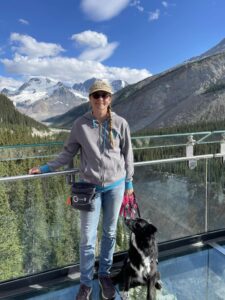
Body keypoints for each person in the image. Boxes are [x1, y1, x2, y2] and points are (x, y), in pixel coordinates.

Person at [29, 80, 134, 300]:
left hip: (116, 186)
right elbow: (67, 153)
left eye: (105, 95)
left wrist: (129, 183)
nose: (101, 99)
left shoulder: (121, 123)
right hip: (90, 189)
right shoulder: (80, 125)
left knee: (110, 233)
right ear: (90, 99)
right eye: (96, 95)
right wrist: (47, 167)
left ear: (110, 98)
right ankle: (86, 283)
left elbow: (127, 154)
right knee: (87, 238)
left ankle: (104, 275)